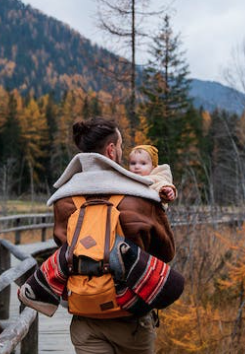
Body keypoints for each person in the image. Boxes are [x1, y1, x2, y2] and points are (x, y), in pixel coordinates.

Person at [47, 117, 176, 354]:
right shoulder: (142, 196)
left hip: (85, 315)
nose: (121, 150)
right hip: (131, 316)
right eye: (121, 145)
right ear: (111, 150)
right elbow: (166, 253)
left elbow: (64, 247)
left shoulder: (64, 199)